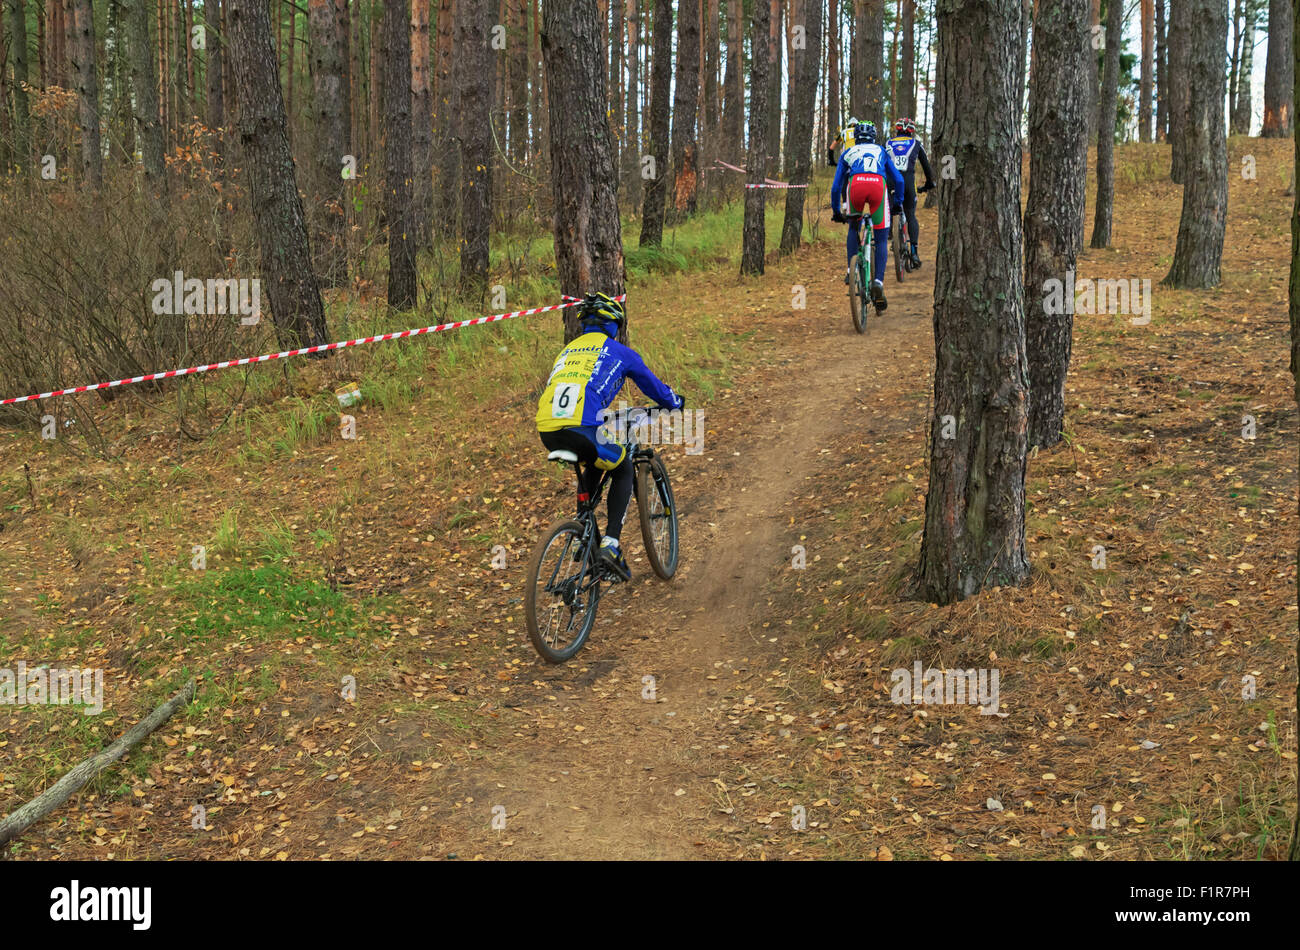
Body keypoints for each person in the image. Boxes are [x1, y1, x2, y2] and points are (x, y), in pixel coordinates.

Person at [535, 293, 684, 581]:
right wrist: (674, 402)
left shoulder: (567, 351)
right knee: (623, 464)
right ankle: (612, 544)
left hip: (547, 430)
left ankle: (583, 534)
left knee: (596, 458)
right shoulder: (619, 352)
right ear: (613, 324)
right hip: (581, 429)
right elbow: (653, 387)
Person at [830, 120, 905, 312]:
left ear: (855, 138)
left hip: (855, 185)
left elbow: (837, 186)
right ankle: (878, 281)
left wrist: (837, 211)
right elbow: (898, 179)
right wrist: (897, 203)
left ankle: (850, 270)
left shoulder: (847, 152)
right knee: (880, 238)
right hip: (878, 186)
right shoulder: (881, 150)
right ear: (874, 137)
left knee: (853, 227)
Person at [885, 118, 935, 268]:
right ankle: (914, 252)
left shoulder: (887, 143)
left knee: (890, 209)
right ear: (911, 131)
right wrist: (929, 184)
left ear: (897, 129)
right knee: (911, 215)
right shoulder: (916, 144)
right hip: (908, 182)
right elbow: (926, 166)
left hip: (892, 181)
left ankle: (890, 233)